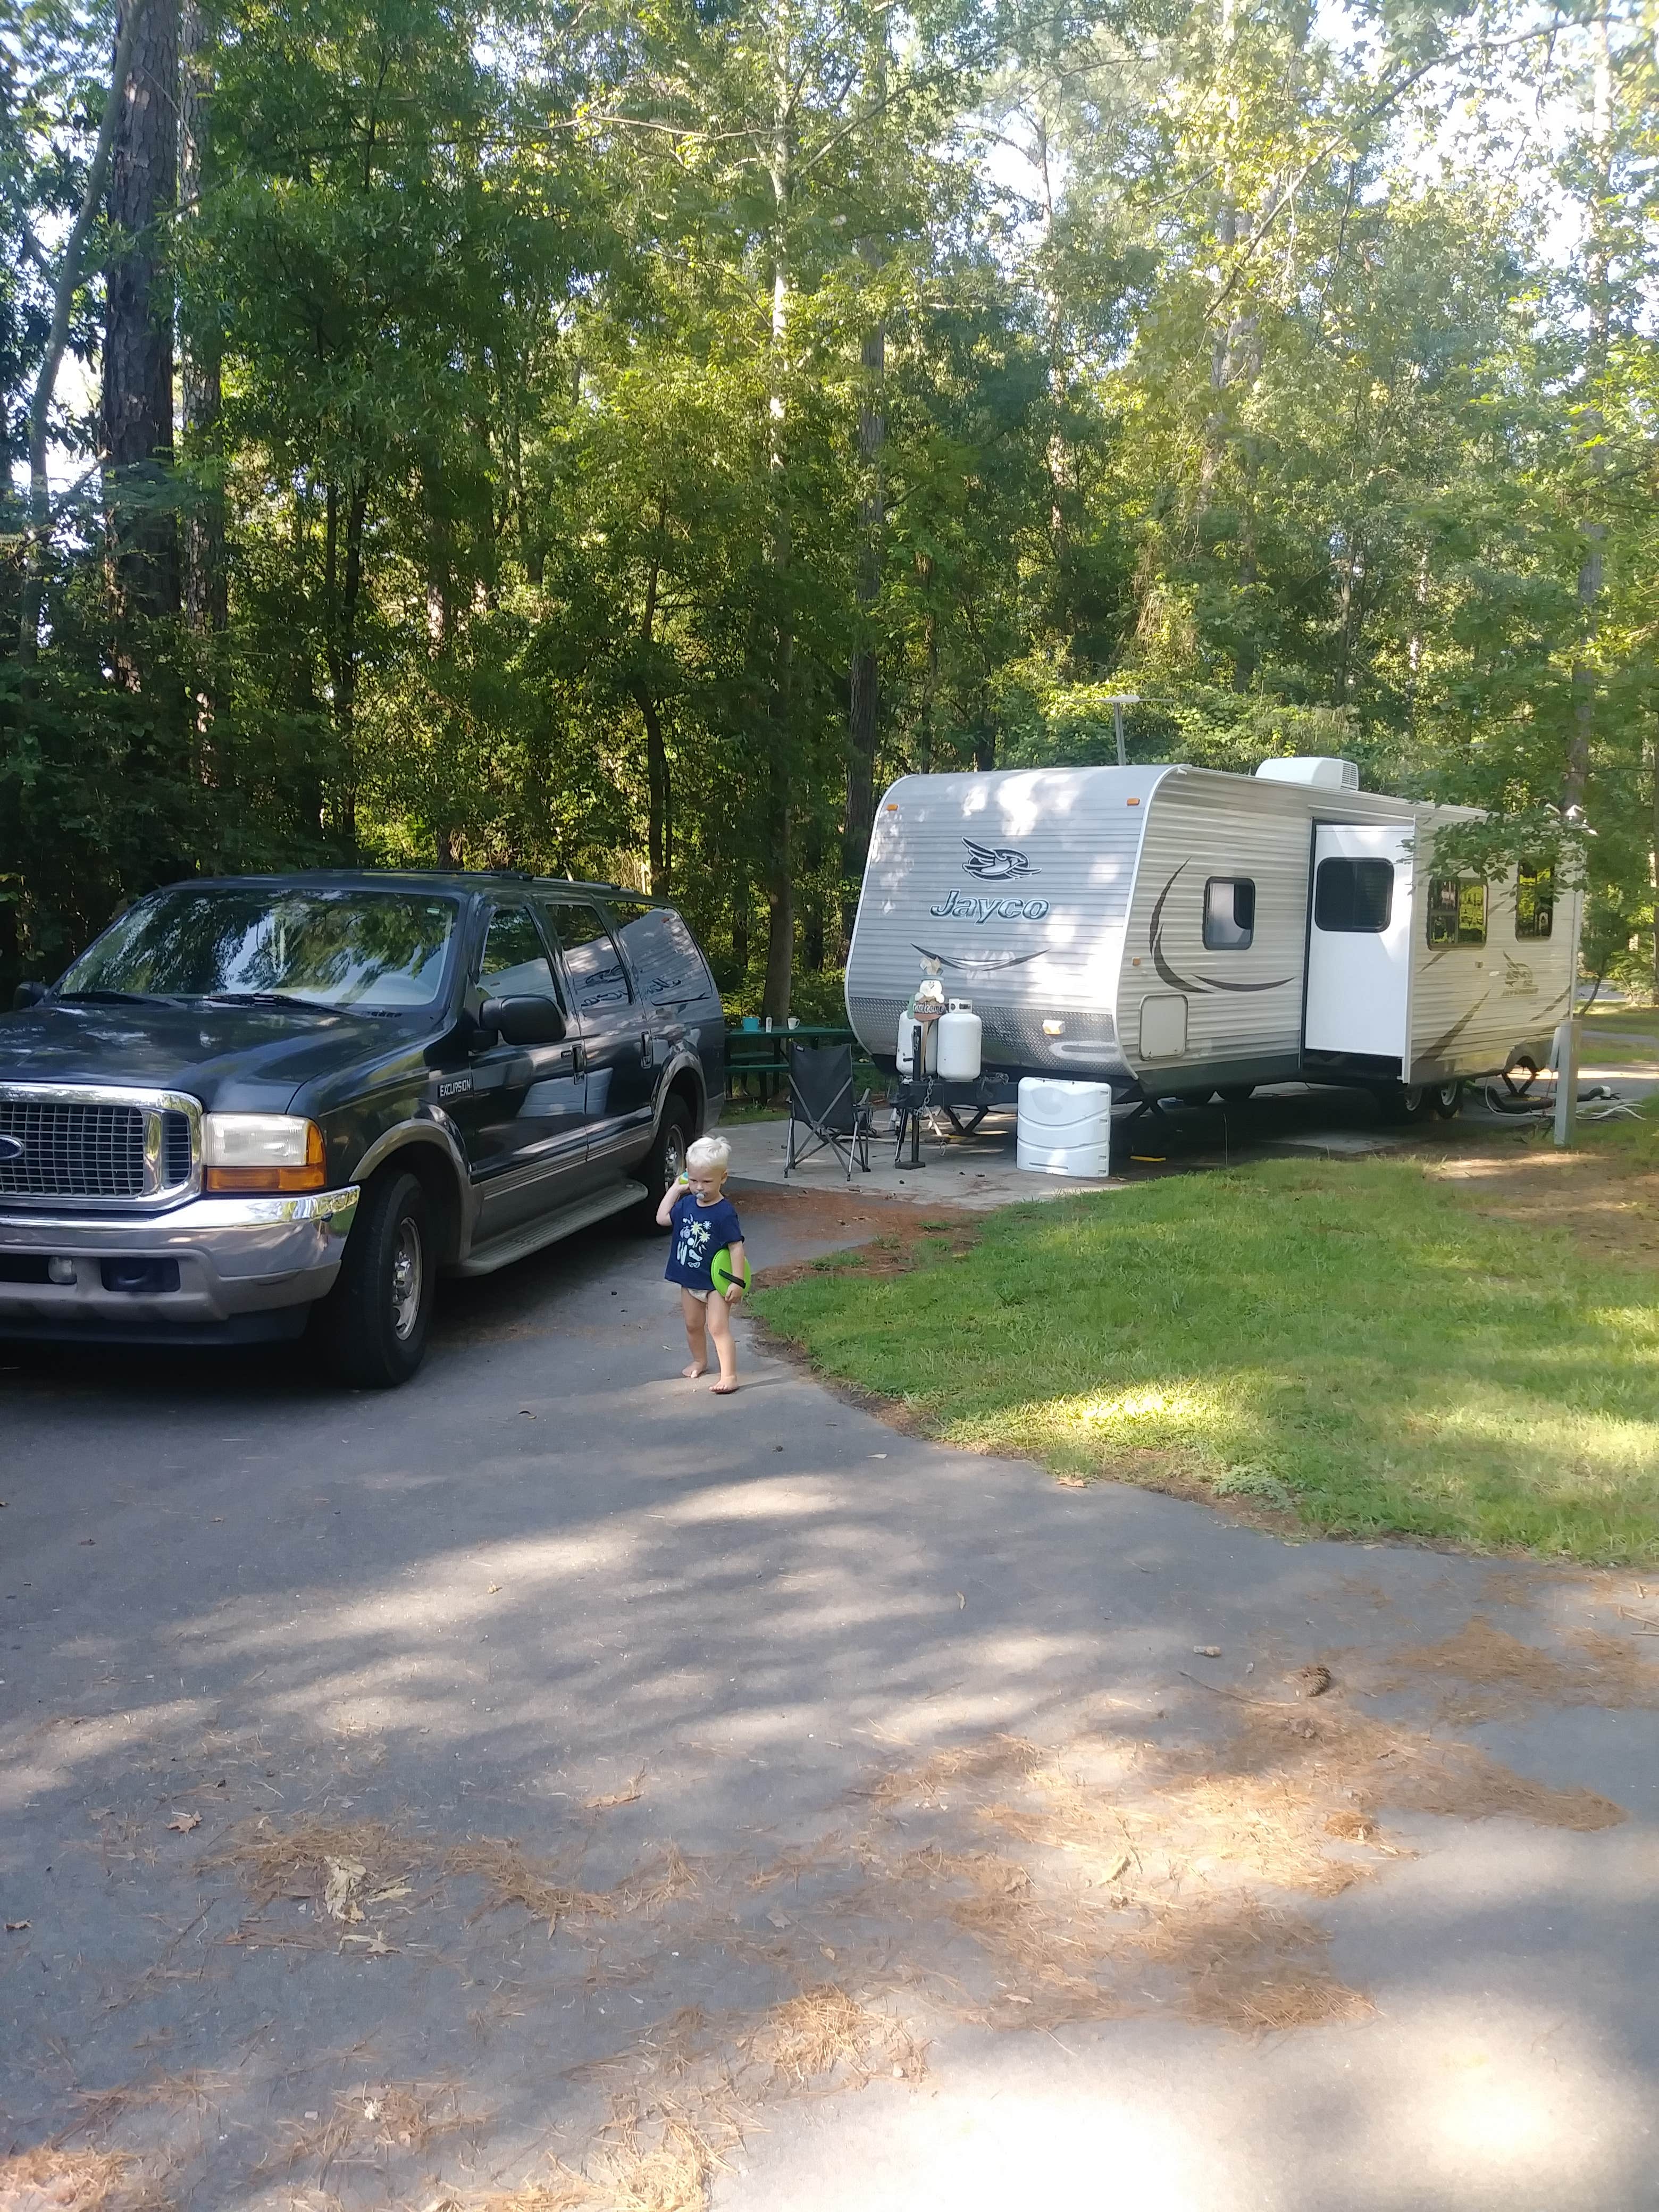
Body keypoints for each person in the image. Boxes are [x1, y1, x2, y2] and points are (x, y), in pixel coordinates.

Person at [657, 1134, 747, 1394]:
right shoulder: (686, 1204)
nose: (699, 1187)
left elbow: (736, 1247)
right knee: (692, 1325)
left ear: (723, 1178)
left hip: (715, 1282)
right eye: (693, 1180)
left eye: (707, 1182)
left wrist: (737, 1282)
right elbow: (662, 1218)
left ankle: (729, 1375)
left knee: (717, 1327)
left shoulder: (724, 1212)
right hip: (689, 1280)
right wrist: (676, 1188)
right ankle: (700, 1360)